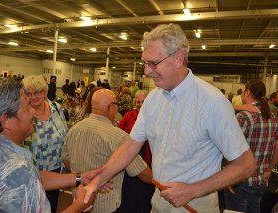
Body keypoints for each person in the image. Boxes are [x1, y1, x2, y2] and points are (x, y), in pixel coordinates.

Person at [83, 23, 255, 212]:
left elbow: (246, 165)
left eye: (153, 63)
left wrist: (192, 190)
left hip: (195, 204)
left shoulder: (212, 102)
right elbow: (130, 147)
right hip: (159, 200)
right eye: (145, 63)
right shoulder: (153, 99)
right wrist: (100, 179)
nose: (146, 71)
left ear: (178, 58)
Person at [0, 79, 107, 213]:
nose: (32, 111)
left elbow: (33, 178)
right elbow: (22, 176)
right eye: (27, 107)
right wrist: (80, 204)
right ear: (6, 121)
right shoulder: (17, 169)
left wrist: (79, 178)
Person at [62, 89, 152, 213]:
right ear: (110, 107)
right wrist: (158, 183)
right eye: (116, 105)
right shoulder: (118, 136)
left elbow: (66, 159)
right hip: (105, 204)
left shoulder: (74, 129)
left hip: (79, 200)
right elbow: (140, 171)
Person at [225, 80, 278, 213]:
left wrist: (229, 177)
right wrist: (268, 171)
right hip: (260, 181)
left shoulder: (244, 116)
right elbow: (276, 146)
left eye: (243, 91)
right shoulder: (271, 116)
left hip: (240, 181)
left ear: (247, 92)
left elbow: (234, 149)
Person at [22, 75, 69, 213]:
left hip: (56, 169)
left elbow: (65, 133)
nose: (34, 97)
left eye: (38, 92)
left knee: (52, 206)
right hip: (32, 171)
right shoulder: (23, 113)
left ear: (45, 92)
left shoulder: (56, 108)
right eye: (29, 93)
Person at [118, 90, 154, 213]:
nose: (140, 104)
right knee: (128, 192)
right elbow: (119, 133)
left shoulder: (154, 117)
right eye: (138, 102)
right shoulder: (128, 115)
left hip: (147, 158)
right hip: (130, 158)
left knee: (145, 192)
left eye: (143, 102)